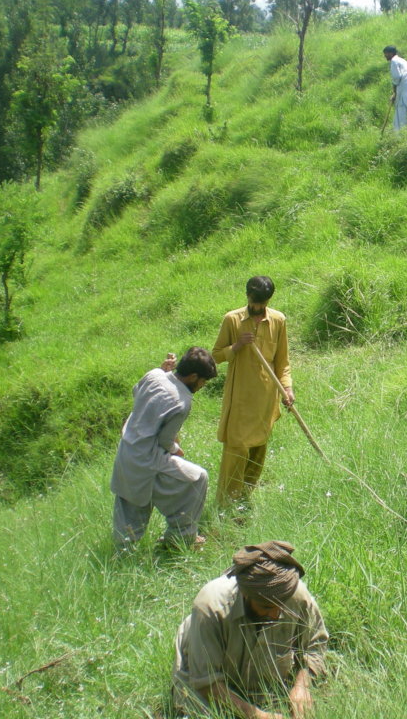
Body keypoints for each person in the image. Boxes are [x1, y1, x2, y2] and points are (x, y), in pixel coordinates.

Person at [172, 540, 328, 719]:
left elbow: (315, 644)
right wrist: (258, 716)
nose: (277, 614)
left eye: (282, 605)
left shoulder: (293, 593)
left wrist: (302, 686)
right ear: (246, 596)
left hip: (266, 678)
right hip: (202, 674)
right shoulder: (210, 608)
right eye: (268, 608)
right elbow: (206, 682)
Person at [110, 347, 218, 551]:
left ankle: (122, 554)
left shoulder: (155, 374)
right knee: (197, 478)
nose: (202, 386)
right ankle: (181, 537)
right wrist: (176, 449)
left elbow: (136, 391)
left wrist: (162, 371)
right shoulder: (182, 401)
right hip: (148, 457)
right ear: (193, 376)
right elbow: (164, 441)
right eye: (203, 381)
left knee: (130, 509)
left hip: (127, 452)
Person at [212, 276, 294, 508]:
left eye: (262, 304)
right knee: (236, 451)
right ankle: (225, 505)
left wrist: (287, 388)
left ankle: (245, 501)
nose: (257, 309)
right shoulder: (232, 320)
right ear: (247, 296)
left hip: (266, 400)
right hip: (239, 400)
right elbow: (215, 356)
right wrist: (236, 346)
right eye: (254, 303)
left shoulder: (278, 320)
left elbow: (283, 362)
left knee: (258, 450)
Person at [383, 45, 407, 132]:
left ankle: (401, 133)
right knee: (405, 106)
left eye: (386, 54)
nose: (385, 56)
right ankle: (405, 130)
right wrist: (395, 93)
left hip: (405, 84)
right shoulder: (401, 60)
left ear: (391, 53)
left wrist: (394, 93)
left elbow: (396, 77)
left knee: (401, 107)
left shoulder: (394, 61)